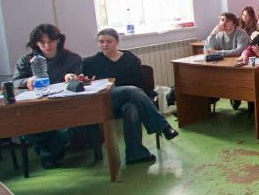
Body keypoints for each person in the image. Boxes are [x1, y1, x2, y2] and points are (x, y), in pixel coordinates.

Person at [83, 29, 179, 164]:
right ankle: (163, 126)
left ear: (117, 42)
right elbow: (85, 84)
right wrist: (88, 81)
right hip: (107, 99)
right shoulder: (90, 63)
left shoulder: (129, 58)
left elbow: (140, 83)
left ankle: (135, 154)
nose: (105, 45)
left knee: (131, 108)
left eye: (109, 41)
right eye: (101, 42)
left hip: (132, 99)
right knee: (130, 90)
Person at [11, 24, 95, 169]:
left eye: (50, 41)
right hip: (35, 107)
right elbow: (15, 82)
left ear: (58, 40)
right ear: (36, 43)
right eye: (42, 42)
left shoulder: (71, 58)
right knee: (26, 126)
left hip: (64, 106)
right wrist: (27, 81)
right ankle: (50, 153)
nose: (47, 46)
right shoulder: (26, 60)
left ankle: (47, 154)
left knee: (69, 125)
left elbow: (79, 79)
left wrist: (72, 77)